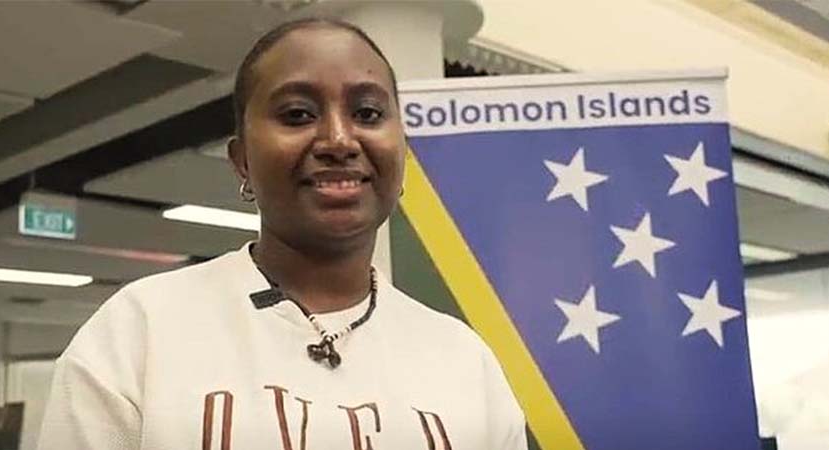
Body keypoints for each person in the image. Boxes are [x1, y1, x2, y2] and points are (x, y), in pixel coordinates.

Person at [37, 18, 526, 450]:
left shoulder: (465, 361)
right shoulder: (138, 332)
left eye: (369, 114)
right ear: (242, 160)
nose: (338, 139)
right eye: (297, 114)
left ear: (402, 153)